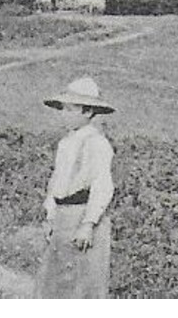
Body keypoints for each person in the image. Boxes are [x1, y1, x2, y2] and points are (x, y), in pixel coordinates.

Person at [35, 76, 116, 298]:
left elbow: (102, 185)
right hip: (63, 216)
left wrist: (88, 224)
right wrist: (51, 216)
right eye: (63, 109)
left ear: (87, 112)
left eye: (71, 109)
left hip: (82, 214)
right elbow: (57, 182)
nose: (65, 114)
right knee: (55, 281)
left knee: (84, 282)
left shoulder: (97, 143)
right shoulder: (66, 143)